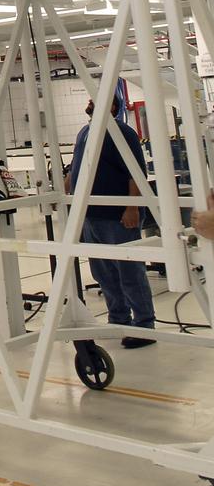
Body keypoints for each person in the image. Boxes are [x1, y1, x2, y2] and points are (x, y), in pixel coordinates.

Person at [66, 96, 156, 347]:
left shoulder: (123, 133)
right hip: (91, 214)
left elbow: (136, 172)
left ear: (112, 106)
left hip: (117, 215)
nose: (89, 102)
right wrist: (66, 191)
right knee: (103, 272)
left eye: (95, 99)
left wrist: (132, 208)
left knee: (129, 271)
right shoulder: (85, 132)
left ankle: (144, 324)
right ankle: (119, 319)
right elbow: (76, 166)